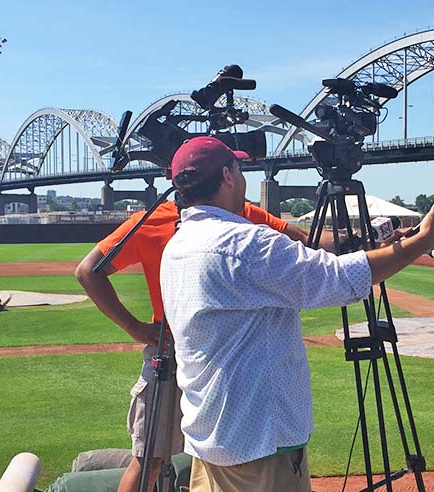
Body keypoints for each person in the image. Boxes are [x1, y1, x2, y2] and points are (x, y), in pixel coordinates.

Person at [158, 136, 434, 492]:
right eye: (239, 168)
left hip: (212, 436)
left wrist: (382, 245)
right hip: (261, 443)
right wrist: (419, 244)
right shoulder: (243, 243)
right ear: (227, 175)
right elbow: (339, 279)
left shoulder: (178, 245)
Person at [75, 161, 328, 492]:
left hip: (209, 358)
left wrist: (373, 239)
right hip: (186, 356)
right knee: (153, 459)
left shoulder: (242, 215)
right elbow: (88, 271)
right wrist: (135, 328)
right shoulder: (159, 220)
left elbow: (306, 241)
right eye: (232, 169)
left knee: (192, 457)